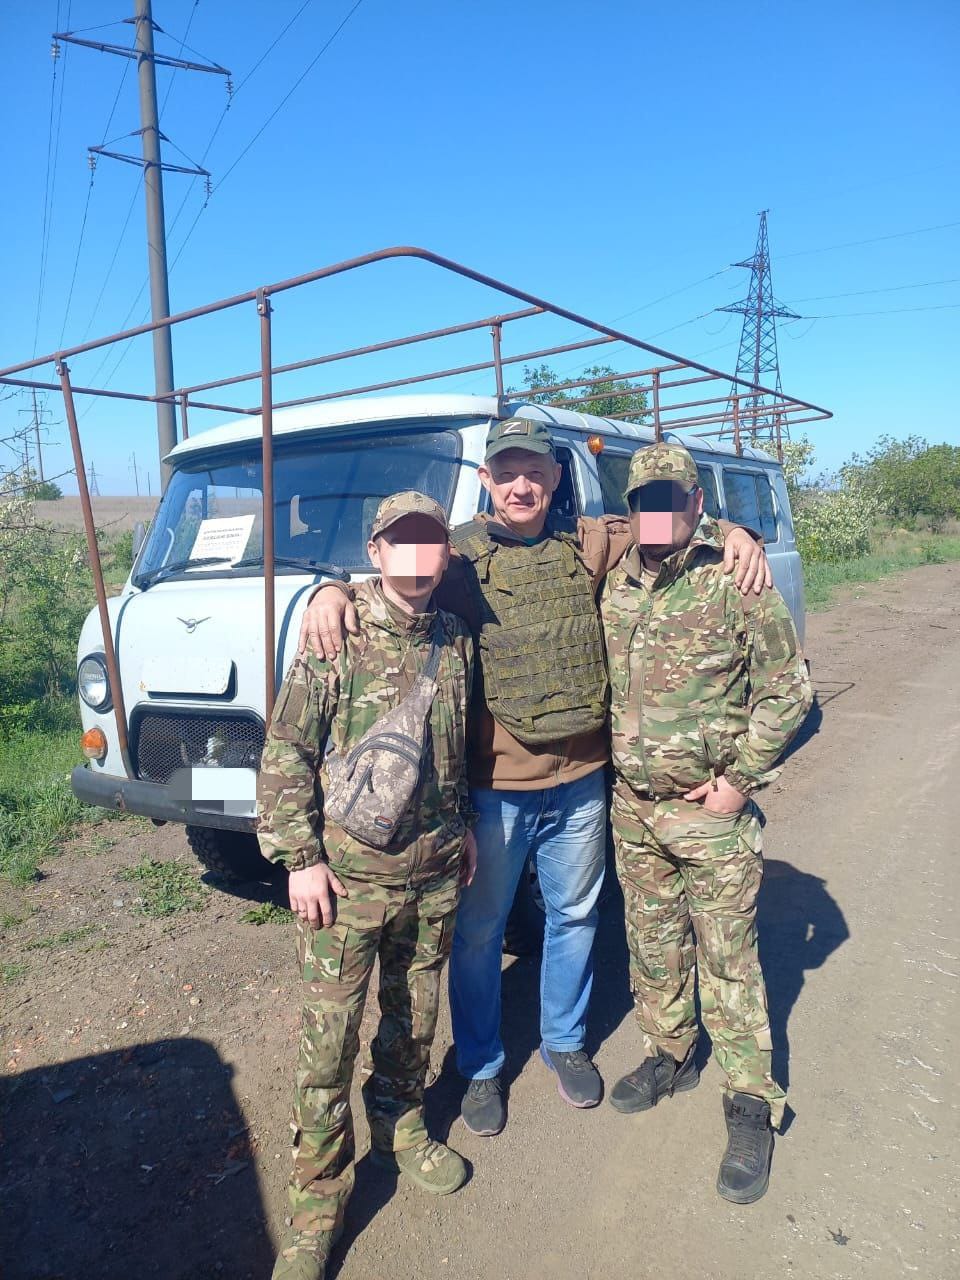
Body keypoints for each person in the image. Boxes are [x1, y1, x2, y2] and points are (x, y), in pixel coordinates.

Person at [299, 419, 769, 1138]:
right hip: (496, 788)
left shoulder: (588, 540)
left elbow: (672, 513)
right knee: (481, 929)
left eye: (535, 473)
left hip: (582, 780)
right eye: (506, 472)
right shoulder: (455, 555)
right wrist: (329, 593)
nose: (522, 485)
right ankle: (482, 1064)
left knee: (574, 917)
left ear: (555, 481)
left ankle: (565, 1041)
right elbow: (397, 571)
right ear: (487, 480)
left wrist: (738, 532)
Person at [258, 491, 477, 1280]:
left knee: (413, 1020)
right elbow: (285, 752)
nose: (417, 557)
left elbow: (451, 751)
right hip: (346, 886)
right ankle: (317, 1203)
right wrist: (299, 859)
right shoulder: (335, 632)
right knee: (328, 1046)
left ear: (444, 555)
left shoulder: (455, 638)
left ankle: (399, 1127)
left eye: (431, 542)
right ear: (375, 553)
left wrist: (466, 832)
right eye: (400, 543)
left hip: (433, 876)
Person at [601, 442, 813, 1205]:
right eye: (643, 500)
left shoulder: (735, 577)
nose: (656, 512)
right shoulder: (614, 583)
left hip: (710, 813)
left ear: (694, 504)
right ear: (630, 510)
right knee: (653, 945)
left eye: (673, 498)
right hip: (633, 810)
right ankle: (669, 1051)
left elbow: (788, 690)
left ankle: (751, 1099)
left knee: (729, 957)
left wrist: (738, 781)